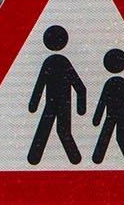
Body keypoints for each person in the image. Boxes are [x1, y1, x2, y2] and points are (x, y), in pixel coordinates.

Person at [28, 25, 86, 164]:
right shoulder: (62, 62)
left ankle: (35, 158)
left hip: (56, 104)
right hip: (62, 103)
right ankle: (75, 159)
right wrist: (81, 107)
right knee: (61, 130)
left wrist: (33, 105)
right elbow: (80, 87)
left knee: (49, 129)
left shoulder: (51, 62)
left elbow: (40, 85)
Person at [92, 48, 124, 165]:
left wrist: (97, 119)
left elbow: (102, 102)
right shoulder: (120, 83)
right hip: (120, 115)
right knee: (117, 137)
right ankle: (98, 159)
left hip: (114, 115)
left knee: (111, 136)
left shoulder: (112, 83)